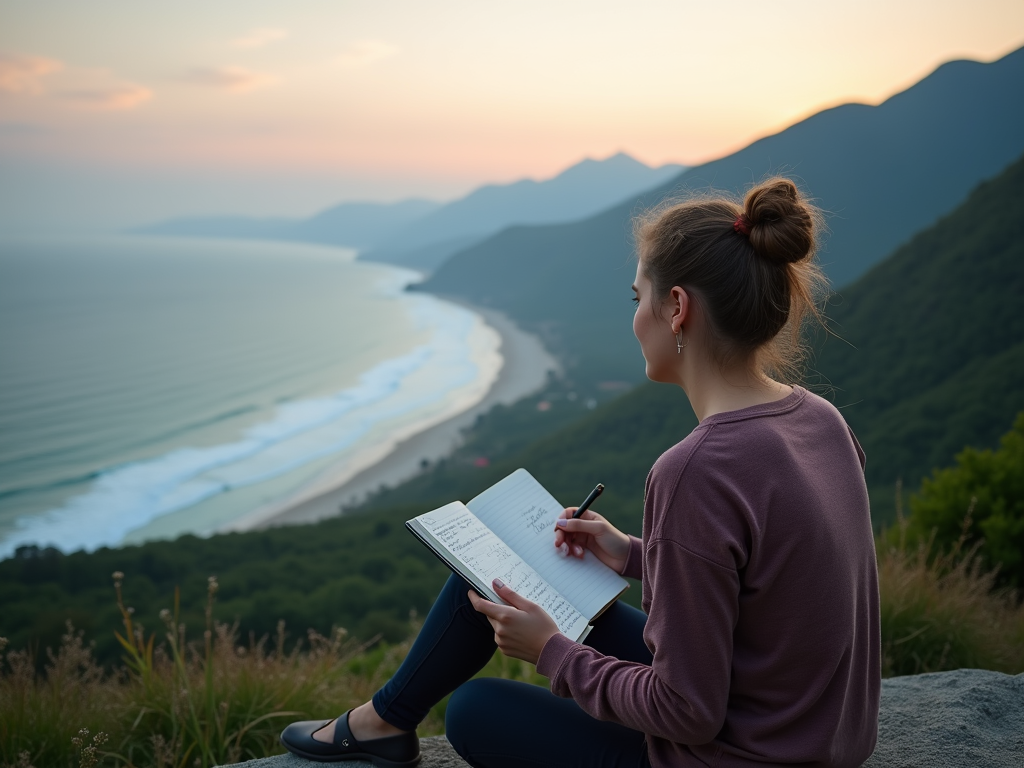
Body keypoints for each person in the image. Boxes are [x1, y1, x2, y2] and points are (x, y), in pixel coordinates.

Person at [280, 178, 881, 768]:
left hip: (740, 752)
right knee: (487, 580)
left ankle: (381, 724)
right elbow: (773, 582)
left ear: (676, 308)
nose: (635, 317)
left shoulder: (695, 469)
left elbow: (687, 712)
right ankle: (383, 721)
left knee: (474, 709)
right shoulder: (820, 420)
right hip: (815, 735)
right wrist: (630, 554)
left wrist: (553, 653)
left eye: (636, 297)